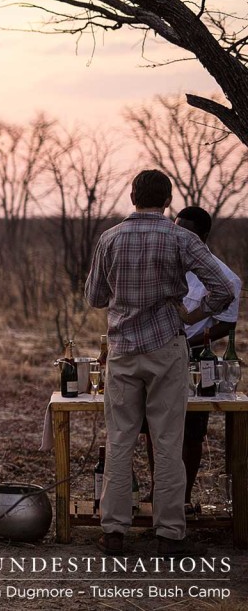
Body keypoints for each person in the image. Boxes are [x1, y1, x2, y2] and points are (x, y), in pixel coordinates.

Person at [85, 170, 235, 557]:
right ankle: (169, 533)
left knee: (119, 441)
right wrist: (191, 314)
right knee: (168, 441)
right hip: (167, 347)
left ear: (132, 195)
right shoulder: (181, 238)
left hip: (122, 349)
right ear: (167, 199)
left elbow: (95, 298)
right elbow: (223, 288)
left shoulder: (110, 238)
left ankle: (114, 531)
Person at [144, 206, 242, 509]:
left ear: (203, 236)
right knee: (154, 427)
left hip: (197, 358)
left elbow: (226, 323)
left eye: (187, 231)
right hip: (157, 352)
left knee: (191, 430)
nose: (179, 237)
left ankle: (182, 500)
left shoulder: (224, 276)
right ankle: (158, 493)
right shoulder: (165, 264)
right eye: (177, 229)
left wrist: (187, 341)